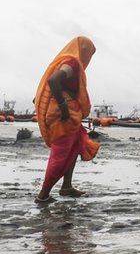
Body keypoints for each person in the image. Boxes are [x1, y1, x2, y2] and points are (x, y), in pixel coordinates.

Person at [34, 36, 101, 204]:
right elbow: (53, 80)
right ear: (83, 50)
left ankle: (66, 186)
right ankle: (43, 195)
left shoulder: (70, 63)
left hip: (70, 114)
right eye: (89, 53)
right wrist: (64, 107)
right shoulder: (71, 64)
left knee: (77, 144)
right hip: (63, 115)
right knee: (61, 153)